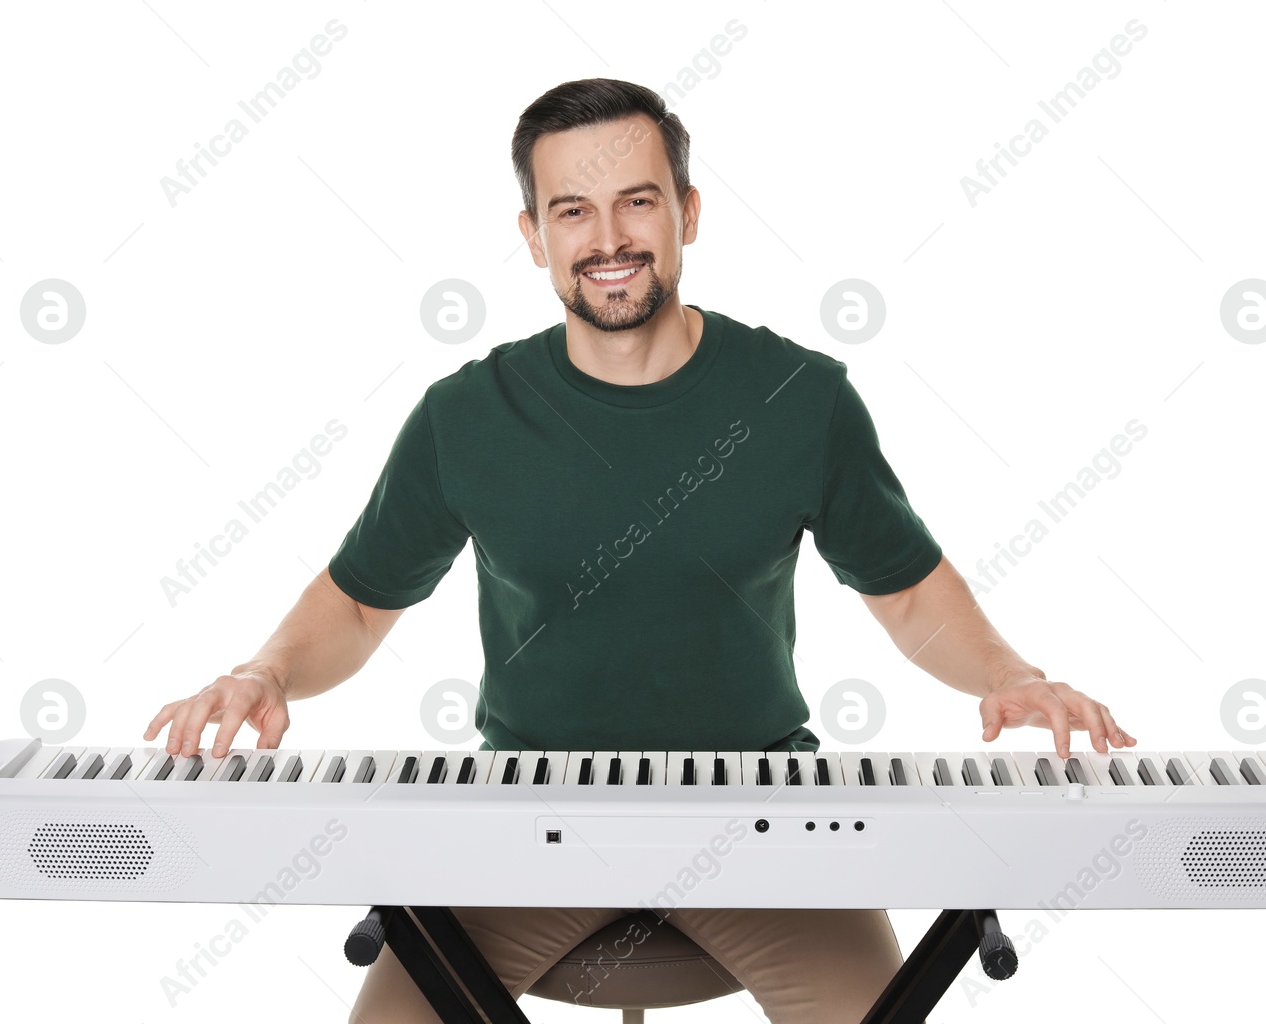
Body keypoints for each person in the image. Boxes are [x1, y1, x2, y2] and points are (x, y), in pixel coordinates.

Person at [144, 78, 1137, 1022]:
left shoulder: (802, 397)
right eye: (572, 210)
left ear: (687, 213)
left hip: (763, 812)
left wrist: (1012, 676)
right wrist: (266, 671)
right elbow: (360, 604)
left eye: (637, 202)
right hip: (523, 816)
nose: (608, 238)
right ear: (532, 236)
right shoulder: (464, 417)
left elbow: (913, 596)